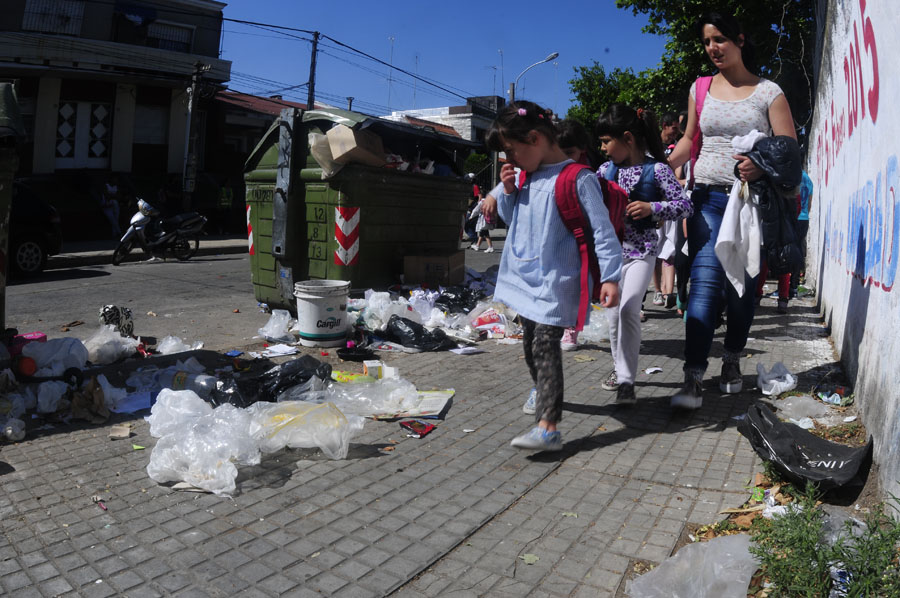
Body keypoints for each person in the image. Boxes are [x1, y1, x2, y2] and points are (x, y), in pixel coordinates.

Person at [667, 11, 796, 409]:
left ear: (739, 40)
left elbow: (788, 149)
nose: (712, 49)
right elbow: (690, 138)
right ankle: (692, 376)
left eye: (719, 39)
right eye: (707, 42)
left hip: (749, 205)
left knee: (741, 291)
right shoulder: (701, 87)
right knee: (704, 282)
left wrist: (761, 165)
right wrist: (662, 167)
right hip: (706, 199)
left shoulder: (768, 92)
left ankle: (733, 357)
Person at [483, 100, 622, 451]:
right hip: (525, 278)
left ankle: (548, 426)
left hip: (555, 282)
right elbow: (512, 218)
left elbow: (603, 231)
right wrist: (509, 191)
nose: (511, 161)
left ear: (535, 138)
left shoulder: (579, 178)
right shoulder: (527, 175)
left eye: (513, 152)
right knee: (530, 348)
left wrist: (610, 277)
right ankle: (544, 390)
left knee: (545, 346)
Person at [596, 104, 693, 405]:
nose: (602, 149)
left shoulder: (658, 170)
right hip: (611, 257)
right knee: (613, 315)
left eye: (605, 141)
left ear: (627, 138)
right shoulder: (603, 172)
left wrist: (654, 208)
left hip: (642, 253)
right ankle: (618, 368)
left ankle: (627, 380)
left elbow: (686, 206)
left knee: (627, 310)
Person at [557, 119, 601, 350]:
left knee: (577, 282)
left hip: (583, 235)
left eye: (570, 152)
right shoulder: (555, 167)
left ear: (582, 149)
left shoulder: (587, 173)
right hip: (559, 233)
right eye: (561, 152)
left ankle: (571, 328)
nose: (565, 157)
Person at [100, 174, 122, 238]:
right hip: (106, 205)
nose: (115, 180)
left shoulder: (116, 187)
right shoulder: (106, 186)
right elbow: (107, 196)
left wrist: (112, 196)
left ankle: (115, 235)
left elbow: (119, 197)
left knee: (116, 219)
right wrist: (114, 196)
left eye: (116, 179)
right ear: (111, 179)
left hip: (114, 205)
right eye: (114, 179)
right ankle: (119, 233)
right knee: (113, 219)